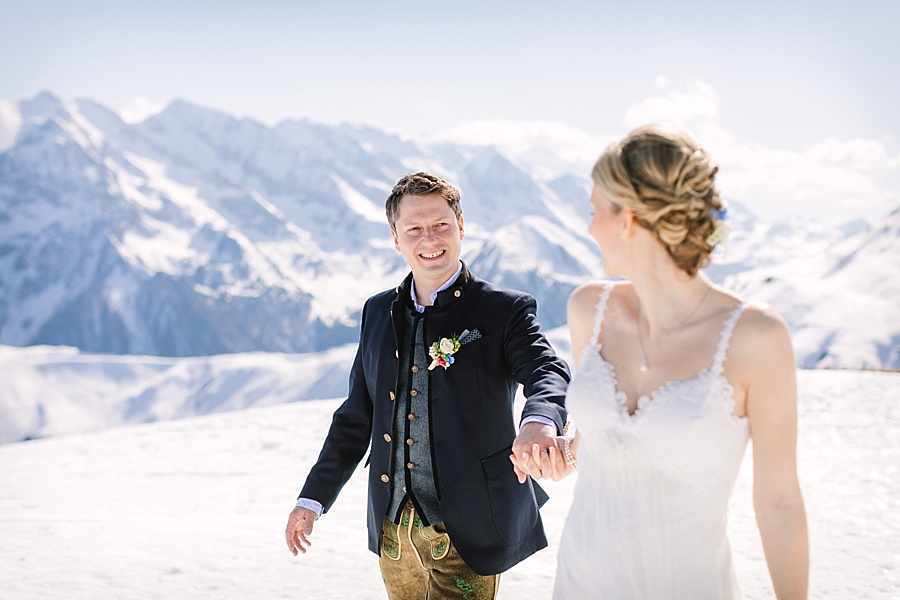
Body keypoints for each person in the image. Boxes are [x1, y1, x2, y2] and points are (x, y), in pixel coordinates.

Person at [525, 124, 809, 598]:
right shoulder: (587, 311)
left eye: (595, 210)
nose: (589, 226)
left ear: (630, 218)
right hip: (581, 582)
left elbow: (780, 503)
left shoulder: (756, 337)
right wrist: (559, 450)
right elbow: (606, 439)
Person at [284, 172, 570, 599]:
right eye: (414, 228)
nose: (429, 238)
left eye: (441, 225)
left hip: (470, 529)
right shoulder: (378, 311)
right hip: (392, 535)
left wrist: (541, 420)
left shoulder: (503, 310)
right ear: (396, 239)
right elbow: (355, 418)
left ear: (461, 227)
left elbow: (547, 369)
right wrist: (312, 499)